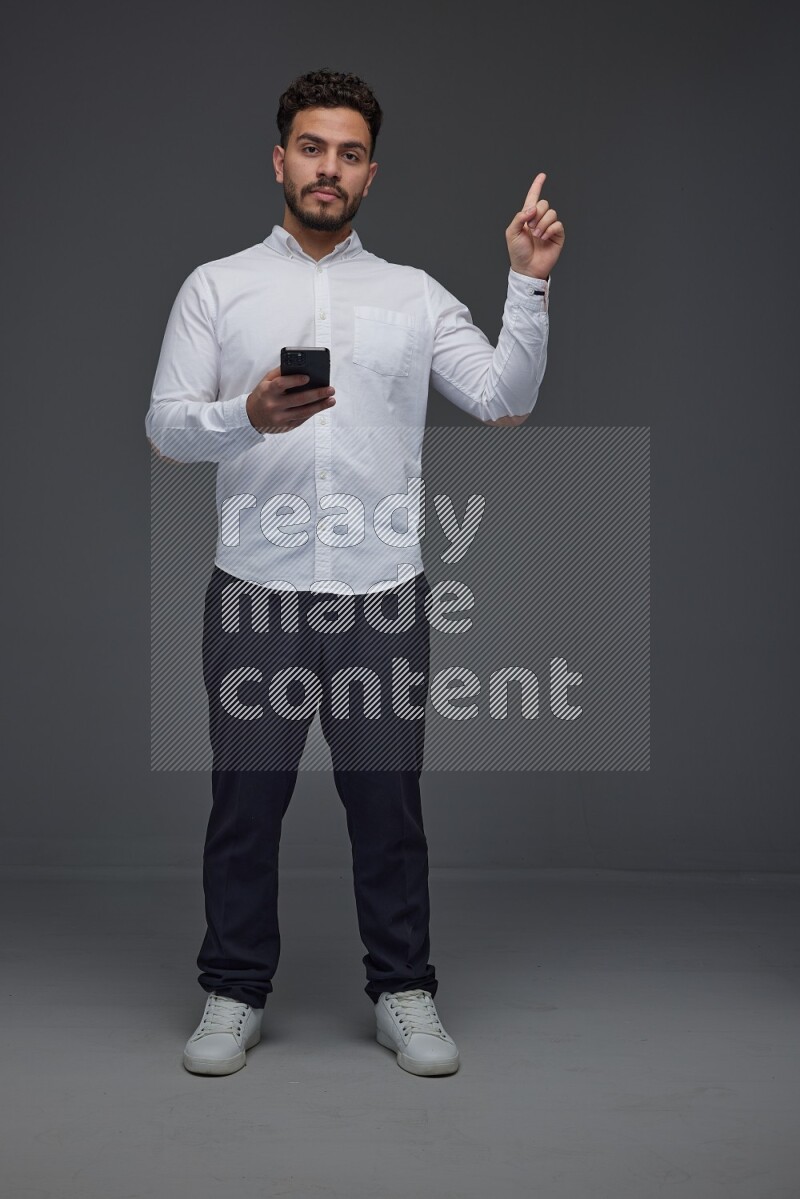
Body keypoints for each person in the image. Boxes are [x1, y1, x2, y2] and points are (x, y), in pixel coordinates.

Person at [146, 67, 565, 1078]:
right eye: (308, 146)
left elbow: (503, 399)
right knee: (245, 803)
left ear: (369, 173)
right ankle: (233, 988)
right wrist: (242, 416)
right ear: (279, 157)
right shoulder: (217, 286)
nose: (325, 167)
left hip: (381, 592)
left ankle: (401, 987)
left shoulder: (410, 295)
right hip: (255, 587)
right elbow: (164, 426)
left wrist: (527, 278)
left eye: (346, 153)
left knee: (387, 803)